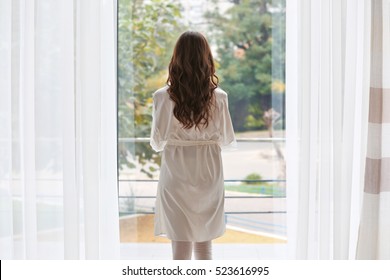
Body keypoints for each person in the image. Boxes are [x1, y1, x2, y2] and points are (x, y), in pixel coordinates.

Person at [150, 31, 237, 260]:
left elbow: (157, 143)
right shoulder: (220, 97)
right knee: (204, 245)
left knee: (179, 246)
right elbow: (227, 139)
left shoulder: (161, 97)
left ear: (176, 58)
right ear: (206, 58)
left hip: (176, 174)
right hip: (208, 174)